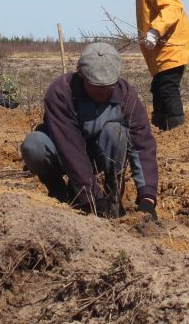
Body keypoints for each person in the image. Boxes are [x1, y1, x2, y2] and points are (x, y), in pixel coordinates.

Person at [20, 42, 158, 219]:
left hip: (98, 155)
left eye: (108, 86)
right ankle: (59, 191)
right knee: (34, 145)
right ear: (81, 75)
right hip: (62, 152)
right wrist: (92, 198)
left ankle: (113, 194)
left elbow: (142, 144)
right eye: (96, 86)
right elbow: (70, 148)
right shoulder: (61, 91)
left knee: (116, 132)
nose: (103, 92)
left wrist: (147, 198)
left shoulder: (126, 94)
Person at [107, 0, 189, 131]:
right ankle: (159, 128)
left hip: (173, 47)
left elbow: (173, 8)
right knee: (158, 88)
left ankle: (177, 130)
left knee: (167, 88)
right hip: (162, 51)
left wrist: (155, 30)